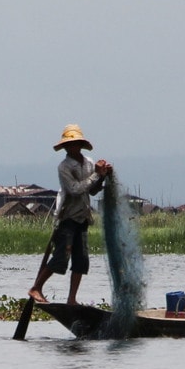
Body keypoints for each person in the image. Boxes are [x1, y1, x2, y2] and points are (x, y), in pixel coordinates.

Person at [29, 123, 112, 306]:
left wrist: (103, 176)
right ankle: (36, 288)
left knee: (81, 261)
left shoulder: (89, 163)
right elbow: (74, 189)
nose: (72, 147)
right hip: (67, 218)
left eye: (75, 144)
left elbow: (91, 191)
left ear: (81, 145)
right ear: (65, 147)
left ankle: (72, 299)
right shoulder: (64, 167)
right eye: (69, 144)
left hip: (82, 217)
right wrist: (96, 176)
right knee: (60, 257)